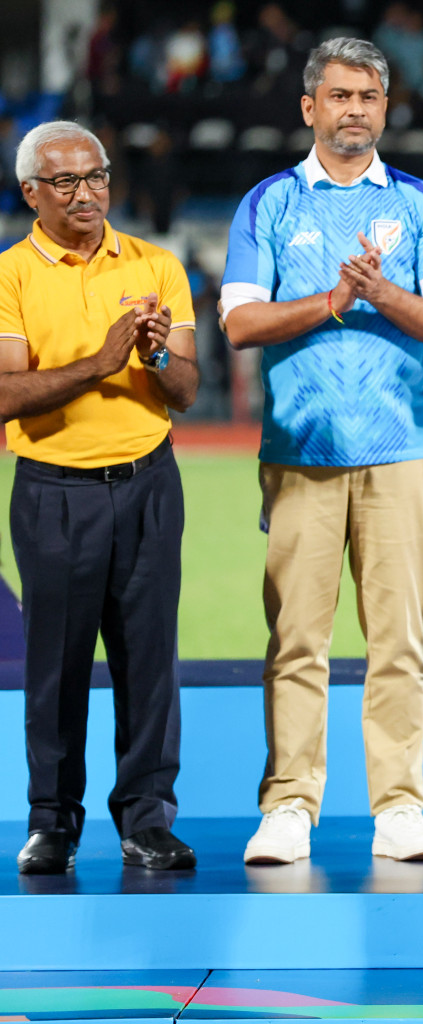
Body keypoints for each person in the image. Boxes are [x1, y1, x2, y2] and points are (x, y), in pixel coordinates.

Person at [220, 38, 423, 865]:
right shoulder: (268, 205)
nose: (354, 109)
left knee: (398, 640)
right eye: (338, 95)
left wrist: (379, 292)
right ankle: (289, 806)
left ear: (385, 107)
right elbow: (240, 322)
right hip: (299, 448)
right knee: (297, 639)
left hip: (399, 449)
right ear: (309, 108)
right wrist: (329, 301)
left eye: (368, 95)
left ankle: (399, 808)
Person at [0, 121, 199, 874]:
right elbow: (5, 391)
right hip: (54, 490)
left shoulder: (156, 264)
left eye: (97, 176)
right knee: (55, 665)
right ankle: (52, 822)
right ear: (31, 194)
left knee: (150, 660)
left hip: (148, 481)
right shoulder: (10, 276)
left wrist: (149, 353)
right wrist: (99, 361)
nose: (87, 193)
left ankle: (147, 818)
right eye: (66, 182)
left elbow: (184, 388)